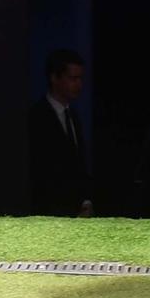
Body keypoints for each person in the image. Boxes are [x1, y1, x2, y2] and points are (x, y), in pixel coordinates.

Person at [27, 48, 93, 217]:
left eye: (80, 78)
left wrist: (84, 201)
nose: (79, 85)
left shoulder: (73, 117)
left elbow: (78, 165)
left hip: (74, 215)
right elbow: (41, 173)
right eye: (73, 78)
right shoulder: (36, 118)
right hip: (50, 215)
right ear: (54, 78)